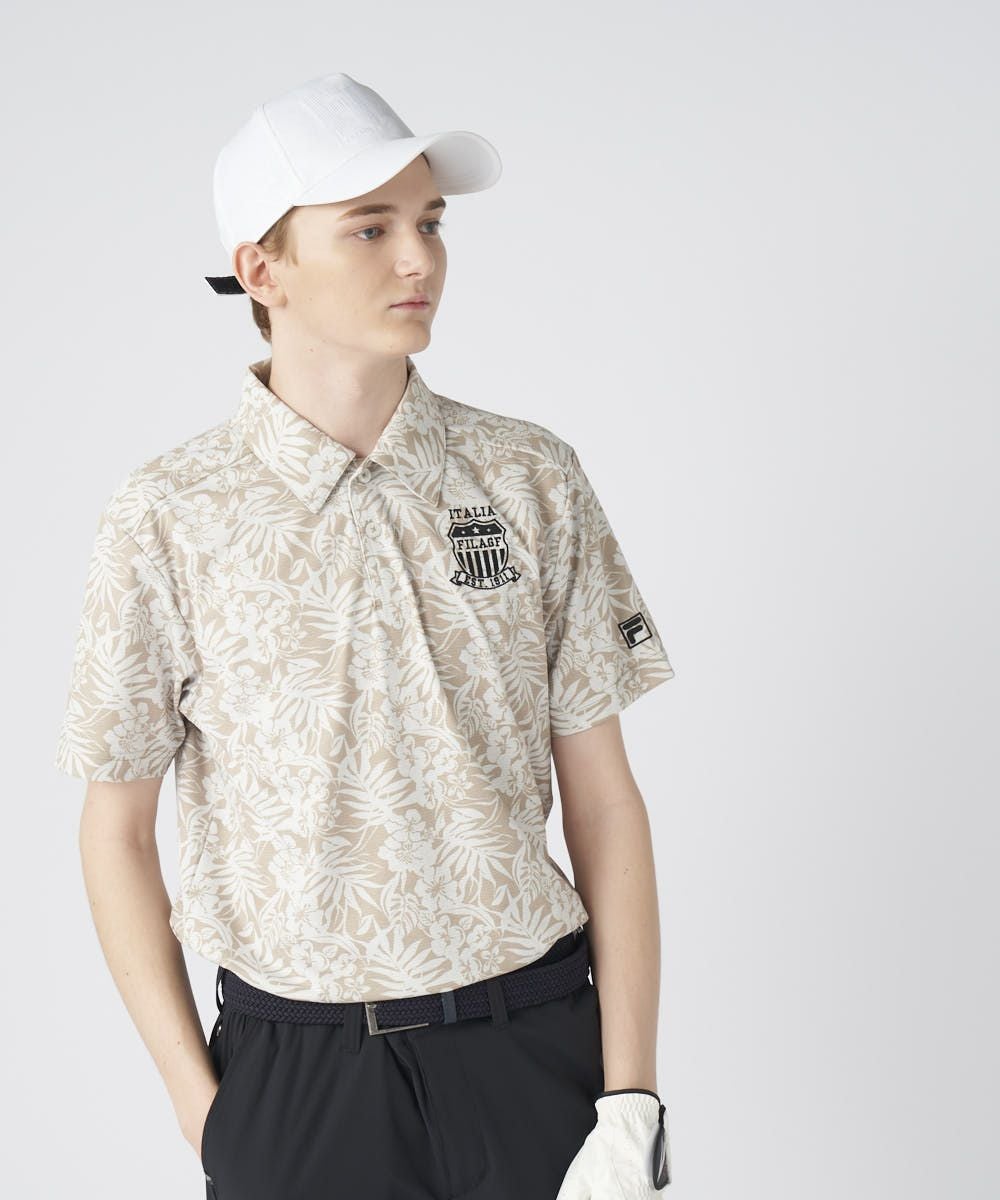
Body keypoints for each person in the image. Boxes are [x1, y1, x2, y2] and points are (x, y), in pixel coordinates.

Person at [54, 71, 674, 1198]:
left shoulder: (529, 477)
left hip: (532, 1047)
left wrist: (630, 1095)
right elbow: (116, 832)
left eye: (430, 222)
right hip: (297, 1078)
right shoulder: (169, 515)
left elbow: (605, 801)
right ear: (261, 269)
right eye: (370, 228)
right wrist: (206, 1111)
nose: (418, 258)